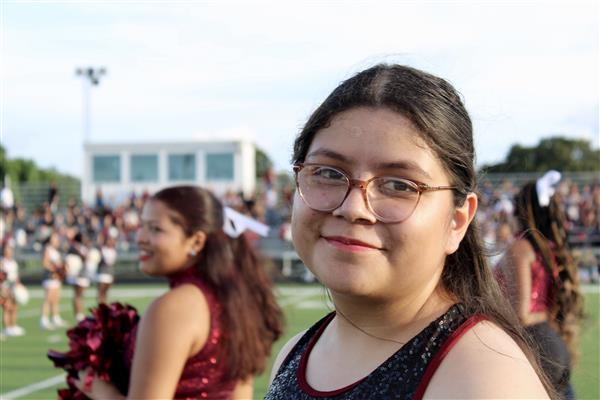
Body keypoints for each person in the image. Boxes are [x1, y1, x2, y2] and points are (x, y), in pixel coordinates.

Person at [265, 64, 554, 399]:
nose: (354, 208)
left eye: (399, 185)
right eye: (328, 173)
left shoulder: (484, 379)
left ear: (457, 220)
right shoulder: (295, 352)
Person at [74, 185, 284, 399]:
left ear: (197, 241)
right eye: (142, 226)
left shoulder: (174, 307)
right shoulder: (234, 301)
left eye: (156, 229)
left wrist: (96, 387)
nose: (140, 238)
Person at [495, 173, 583, 399]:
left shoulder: (520, 248)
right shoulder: (548, 248)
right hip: (552, 346)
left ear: (521, 210)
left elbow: (521, 314)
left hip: (535, 350)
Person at [40, 231, 67, 330]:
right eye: (55, 238)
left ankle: (55, 317)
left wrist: (62, 270)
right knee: (48, 299)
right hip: (50, 277)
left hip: (56, 277)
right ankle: (44, 319)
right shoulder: (48, 249)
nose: (57, 240)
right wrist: (55, 270)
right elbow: (45, 263)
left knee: (56, 299)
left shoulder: (56, 250)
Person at [64, 232, 90, 322]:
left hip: (83, 274)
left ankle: (80, 313)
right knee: (77, 295)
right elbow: (71, 259)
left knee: (80, 295)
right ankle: (78, 314)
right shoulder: (74, 248)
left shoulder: (82, 248)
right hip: (78, 274)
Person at [1, 242, 25, 337]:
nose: (9, 252)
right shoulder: (2, 262)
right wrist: (2, 288)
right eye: (7, 250)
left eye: (10, 250)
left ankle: (13, 326)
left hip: (13, 288)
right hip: (5, 287)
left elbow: (16, 276)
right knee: (7, 307)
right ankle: (6, 328)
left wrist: (19, 285)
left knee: (14, 307)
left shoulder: (14, 263)